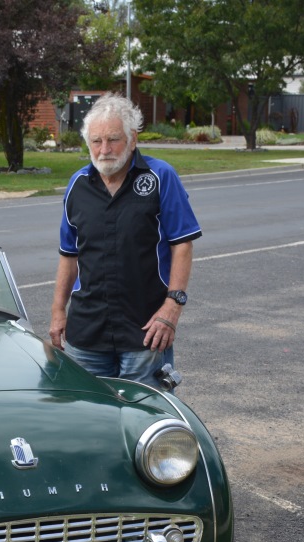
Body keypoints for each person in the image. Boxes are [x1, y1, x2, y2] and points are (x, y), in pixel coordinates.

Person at [49, 93, 201, 388]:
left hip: (146, 332)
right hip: (86, 334)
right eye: (96, 141)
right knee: (87, 411)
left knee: (144, 411)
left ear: (133, 139)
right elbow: (69, 255)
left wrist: (172, 307)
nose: (104, 149)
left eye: (113, 139)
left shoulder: (160, 177)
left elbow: (182, 244)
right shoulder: (77, 185)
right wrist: (57, 311)